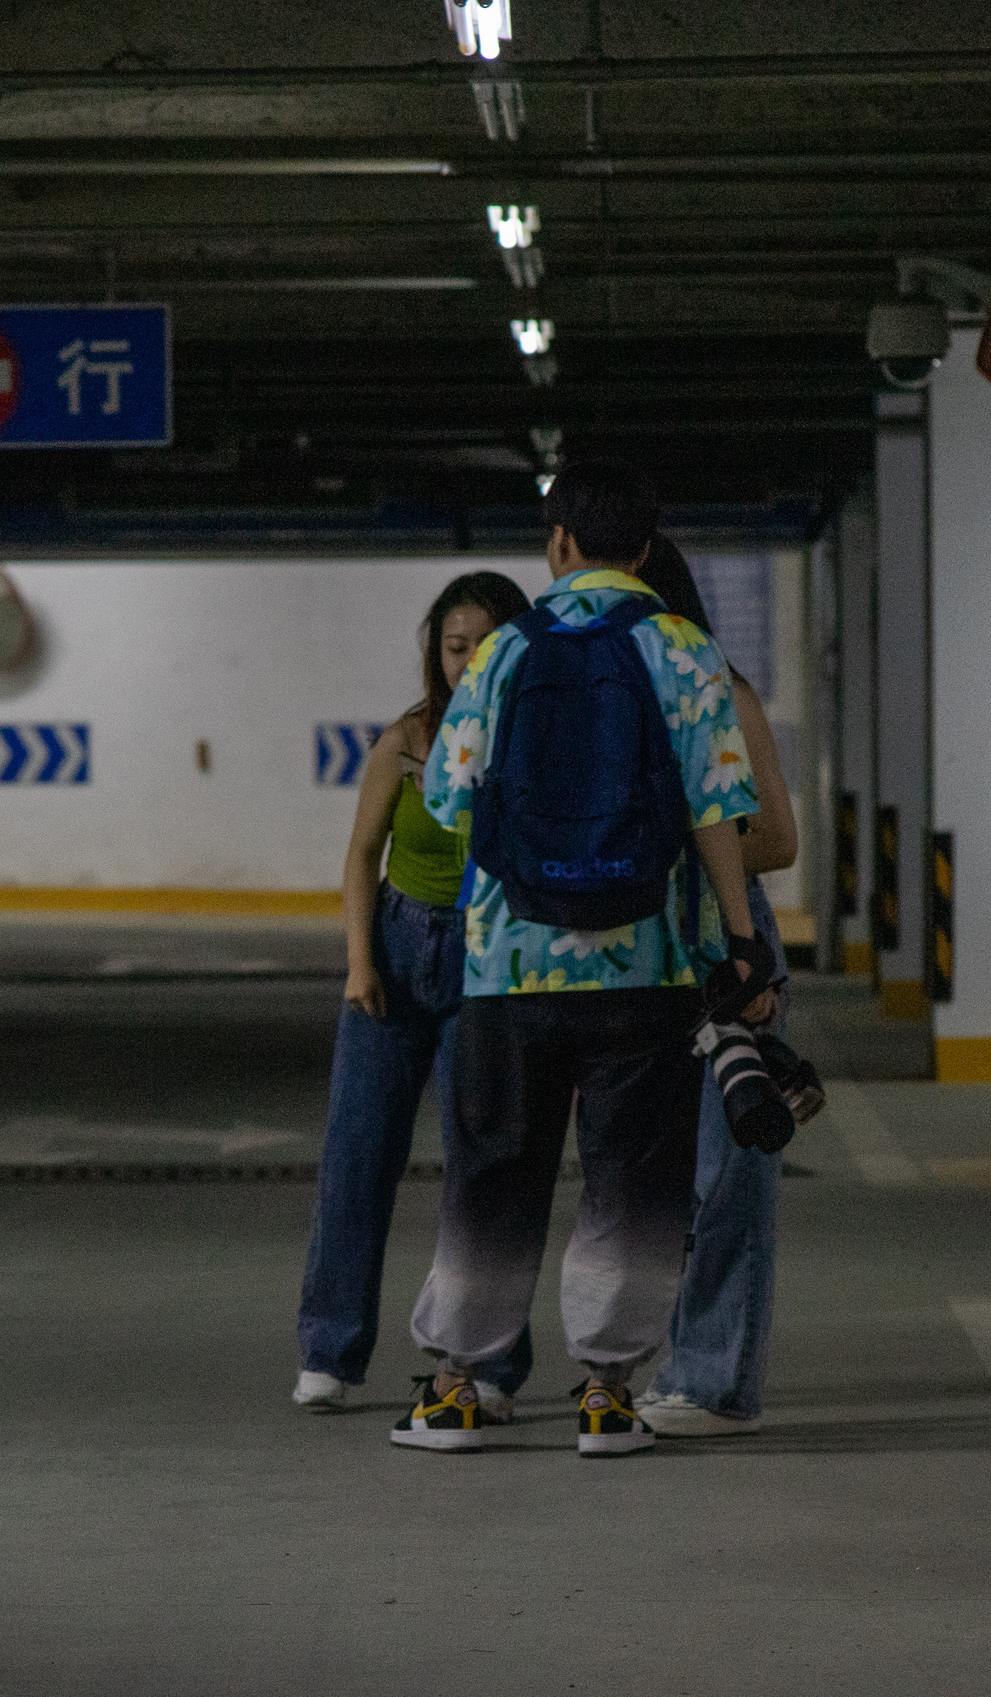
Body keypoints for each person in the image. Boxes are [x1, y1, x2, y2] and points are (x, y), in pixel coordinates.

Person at [393, 460, 771, 1458]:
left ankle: (456, 1389)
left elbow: (448, 798)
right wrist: (741, 944)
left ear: (556, 543)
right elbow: (717, 815)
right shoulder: (686, 650)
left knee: (493, 1172)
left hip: (507, 967)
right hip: (643, 967)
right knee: (631, 1182)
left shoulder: (506, 651)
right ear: (645, 549)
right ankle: (607, 1395)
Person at [295, 571, 536, 1415]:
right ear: (436, 653)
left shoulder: (533, 736)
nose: (468, 658)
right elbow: (362, 857)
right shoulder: (404, 739)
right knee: (358, 1152)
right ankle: (330, 1347)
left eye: (484, 643)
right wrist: (361, 962)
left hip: (490, 957)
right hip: (398, 950)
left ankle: (492, 1364)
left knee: (482, 1168)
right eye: (454, 644)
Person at [627, 538, 799, 1438]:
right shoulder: (618, 705)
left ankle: (717, 1380)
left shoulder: (726, 695)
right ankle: (674, 1361)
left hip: (724, 949)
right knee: (655, 1177)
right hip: (640, 950)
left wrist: (693, 843)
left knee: (728, 1171)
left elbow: (777, 838)